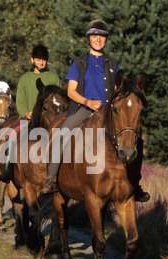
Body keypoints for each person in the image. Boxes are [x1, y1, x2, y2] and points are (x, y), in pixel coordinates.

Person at [40, 20, 149, 202]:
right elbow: (71, 91)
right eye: (94, 36)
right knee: (61, 135)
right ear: (89, 38)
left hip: (108, 112)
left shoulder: (113, 64)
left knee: (137, 142)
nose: (98, 39)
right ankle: (51, 178)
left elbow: (119, 89)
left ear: (105, 39)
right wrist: (88, 102)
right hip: (84, 109)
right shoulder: (79, 63)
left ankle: (135, 185)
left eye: (102, 36)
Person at [0, 44, 60, 182]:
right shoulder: (25, 78)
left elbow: (57, 99)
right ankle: (6, 169)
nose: (41, 62)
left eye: (44, 59)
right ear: (32, 60)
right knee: (12, 133)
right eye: (38, 59)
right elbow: (20, 100)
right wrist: (26, 112)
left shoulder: (53, 77)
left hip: (49, 119)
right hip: (28, 118)